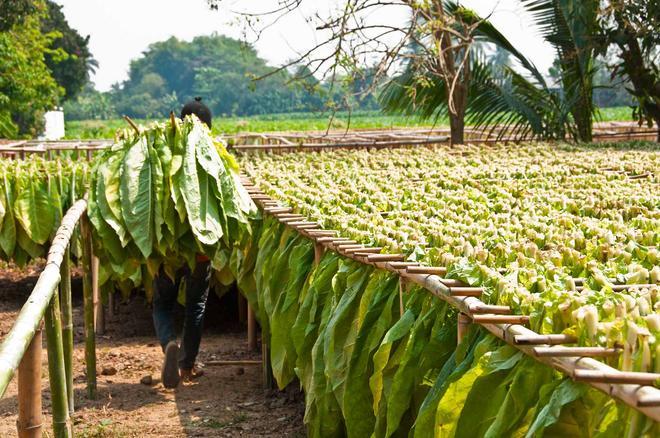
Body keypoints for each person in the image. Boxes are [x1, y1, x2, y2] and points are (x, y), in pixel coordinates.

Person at [153, 97, 213, 389]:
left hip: (166, 249)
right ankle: (186, 366)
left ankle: (168, 345)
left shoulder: (158, 152)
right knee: (196, 305)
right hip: (200, 248)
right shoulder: (214, 155)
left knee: (162, 304)